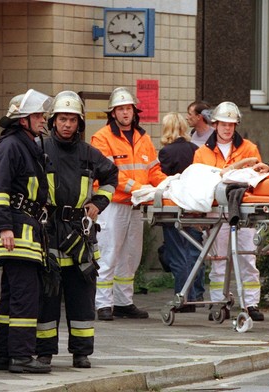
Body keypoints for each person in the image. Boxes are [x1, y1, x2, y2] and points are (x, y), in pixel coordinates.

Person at [36, 91, 118, 368]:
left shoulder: (89, 154)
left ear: (79, 123)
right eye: (62, 119)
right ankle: (44, 352)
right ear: (53, 121)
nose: (67, 124)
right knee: (47, 295)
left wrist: (98, 202)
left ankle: (81, 352)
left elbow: (111, 176)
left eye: (72, 119)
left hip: (79, 232)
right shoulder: (41, 150)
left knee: (81, 295)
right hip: (48, 229)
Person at [0, 89, 53, 373]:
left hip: (26, 232)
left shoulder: (28, 145)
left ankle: (4, 355)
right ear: (23, 120)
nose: (43, 119)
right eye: (38, 115)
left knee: (14, 298)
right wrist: (4, 228)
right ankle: (22, 357)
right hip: (16, 233)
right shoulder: (12, 146)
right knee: (25, 297)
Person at [90, 87, 167, 321]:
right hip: (112, 204)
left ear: (135, 111)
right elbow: (108, 173)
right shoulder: (102, 138)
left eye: (129, 108)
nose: (125, 113)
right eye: (120, 109)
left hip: (136, 205)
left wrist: (168, 186)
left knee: (130, 255)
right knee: (108, 253)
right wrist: (138, 188)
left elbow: (154, 170)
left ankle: (123, 302)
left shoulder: (143, 137)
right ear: (113, 113)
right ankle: (103, 303)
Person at [193, 101, 265, 322]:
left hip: (244, 209)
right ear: (215, 125)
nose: (227, 128)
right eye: (224, 124)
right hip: (216, 211)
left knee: (247, 257)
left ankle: (250, 303)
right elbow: (199, 184)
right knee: (219, 258)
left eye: (231, 124)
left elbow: (259, 177)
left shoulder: (249, 149)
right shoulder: (202, 153)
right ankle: (218, 303)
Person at [157, 112, 200, 312]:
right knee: (192, 253)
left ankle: (181, 298)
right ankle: (192, 296)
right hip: (194, 207)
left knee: (176, 254)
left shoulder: (166, 153)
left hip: (173, 207)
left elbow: (162, 181)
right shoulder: (195, 149)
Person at [185, 101, 215, 302]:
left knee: (208, 249)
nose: (188, 117)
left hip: (212, 199)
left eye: (190, 114)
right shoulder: (193, 137)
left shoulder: (212, 138)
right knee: (199, 247)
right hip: (198, 198)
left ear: (200, 117)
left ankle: (200, 291)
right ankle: (197, 291)